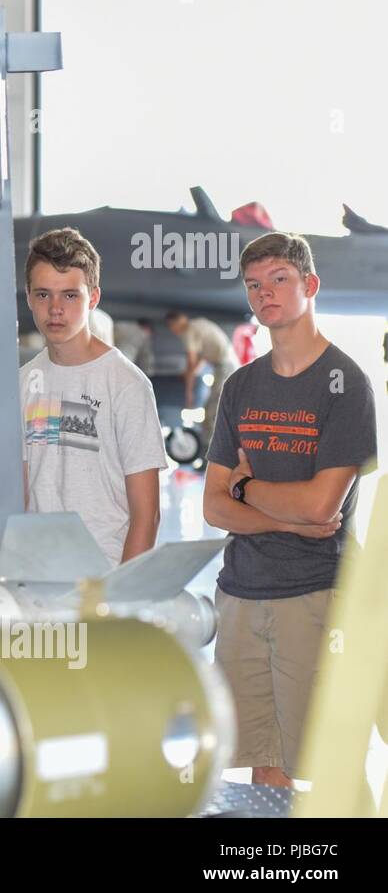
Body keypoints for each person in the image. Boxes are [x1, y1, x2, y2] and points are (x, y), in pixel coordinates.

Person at [202, 231, 376, 789]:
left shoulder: (346, 383)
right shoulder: (240, 387)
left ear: (310, 285)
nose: (264, 294)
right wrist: (278, 515)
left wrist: (247, 489)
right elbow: (212, 505)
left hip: (314, 594)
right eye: (254, 285)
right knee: (262, 763)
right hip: (241, 593)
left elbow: (323, 504)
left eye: (279, 279)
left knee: (330, 767)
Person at [19, 228, 166, 570]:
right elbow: (22, 497)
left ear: (94, 298)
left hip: (104, 576)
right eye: (43, 295)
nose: (55, 309)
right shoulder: (24, 382)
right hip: (40, 576)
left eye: (70, 296)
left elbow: (148, 516)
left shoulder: (126, 384)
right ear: (28, 297)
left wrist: (118, 599)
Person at [166, 310, 239, 451]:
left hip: (224, 368)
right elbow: (201, 358)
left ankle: (212, 451)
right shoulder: (200, 323)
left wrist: (188, 393)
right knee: (219, 409)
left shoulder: (188, 332)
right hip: (229, 364)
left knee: (212, 411)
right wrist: (189, 374)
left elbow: (191, 362)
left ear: (173, 325)